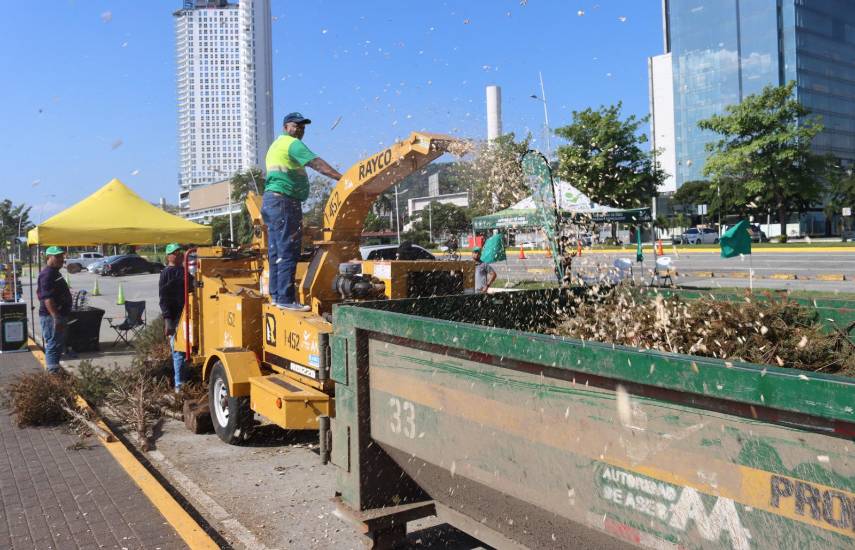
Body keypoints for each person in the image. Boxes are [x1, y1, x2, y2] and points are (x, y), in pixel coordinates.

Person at [262, 112, 343, 311]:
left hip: (272, 201)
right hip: (284, 202)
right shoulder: (292, 143)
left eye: (302, 127)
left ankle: (277, 295)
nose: (300, 129)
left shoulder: (276, 145)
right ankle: (286, 299)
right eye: (295, 126)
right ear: (285, 127)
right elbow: (316, 163)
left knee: (276, 251)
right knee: (288, 249)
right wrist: (341, 178)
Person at [159, 243, 190, 391]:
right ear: (168, 256)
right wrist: (168, 320)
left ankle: (185, 380)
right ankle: (179, 385)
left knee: (186, 351)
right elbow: (163, 298)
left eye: (180, 252)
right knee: (178, 351)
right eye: (175, 252)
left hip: (187, 315)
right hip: (175, 317)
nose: (178, 254)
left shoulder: (183, 271)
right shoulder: (166, 273)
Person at [37, 246, 72, 373]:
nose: (61, 259)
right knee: (53, 344)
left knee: (57, 344)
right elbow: (47, 299)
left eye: (62, 256)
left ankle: (55, 370)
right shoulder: (47, 274)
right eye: (57, 256)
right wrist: (56, 317)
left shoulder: (55, 272)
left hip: (58, 315)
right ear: (48, 257)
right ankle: (53, 374)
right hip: (51, 317)